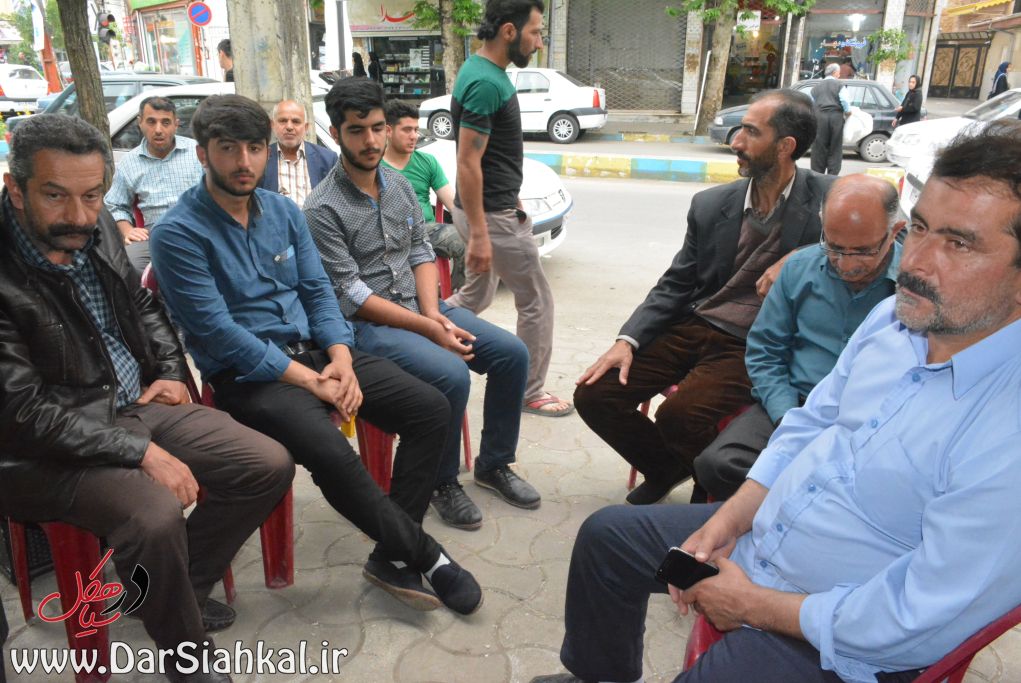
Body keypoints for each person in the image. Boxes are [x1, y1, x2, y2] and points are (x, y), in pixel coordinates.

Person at [532, 119, 1021, 683]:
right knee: (607, 539)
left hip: (841, 633)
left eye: (958, 244)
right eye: (920, 229)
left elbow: (917, 616)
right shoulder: (893, 323)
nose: (914, 263)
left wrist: (754, 606)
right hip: (771, 537)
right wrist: (731, 519)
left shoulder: (1006, 429)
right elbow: (809, 424)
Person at [149, 94, 483, 616]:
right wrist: (310, 381)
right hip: (251, 376)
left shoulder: (284, 211)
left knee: (431, 407)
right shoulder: (177, 233)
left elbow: (319, 291)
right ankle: (427, 556)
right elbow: (217, 332)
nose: (244, 162)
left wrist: (341, 358)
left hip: (319, 355)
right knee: (331, 452)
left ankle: (390, 554)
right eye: (228, 148)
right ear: (202, 154)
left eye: (254, 148)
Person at [0, 114, 295, 683]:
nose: (79, 215)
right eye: (56, 196)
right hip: (40, 445)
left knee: (265, 463)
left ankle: (171, 589)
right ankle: (186, 657)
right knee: (155, 515)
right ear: (16, 189)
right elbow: (20, 411)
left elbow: (141, 303)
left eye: (93, 196)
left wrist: (170, 370)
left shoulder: (95, 227)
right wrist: (140, 453)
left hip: (132, 400)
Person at [575, 89, 834, 506]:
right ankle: (666, 467)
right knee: (594, 393)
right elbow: (677, 281)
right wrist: (627, 340)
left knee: (679, 416)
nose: (736, 142)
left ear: (786, 146)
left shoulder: (829, 199)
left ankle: (713, 491)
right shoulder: (712, 204)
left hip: (757, 341)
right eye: (739, 130)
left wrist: (804, 256)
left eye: (751, 132)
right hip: (698, 323)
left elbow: (887, 238)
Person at [304, 77, 537, 531]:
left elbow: (420, 251)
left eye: (377, 128)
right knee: (450, 373)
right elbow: (351, 292)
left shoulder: (398, 184)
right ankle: (440, 482)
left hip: (420, 307)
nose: (371, 141)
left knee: (512, 354)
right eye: (356, 131)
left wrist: (432, 314)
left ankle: (493, 464)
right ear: (335, 133)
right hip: (369, 327)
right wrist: (426, 328)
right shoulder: (321, 208)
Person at [693, 174, 902, 501]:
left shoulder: (916, 288)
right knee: (718, 465)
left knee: (869, 492)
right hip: (796, 405)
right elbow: (765, 352)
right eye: (834, 247)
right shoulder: (798, 269)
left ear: (895, 232)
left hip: (873, 421)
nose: (846, 264)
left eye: (863, 251)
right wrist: (786, 416)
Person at [447, 0, 573, 418]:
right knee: (537, 300)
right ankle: (529, 391)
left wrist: (510, 196)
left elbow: (491, 156)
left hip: (489, 208)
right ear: (508, 31)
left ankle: (427, 329)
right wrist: (481, 235)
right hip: (490, 216)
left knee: (475, 295)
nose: (539, 42)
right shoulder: (486, 83)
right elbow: (467, 161)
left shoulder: (481, 70)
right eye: (535, 32)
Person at [105, 96, 204, 274]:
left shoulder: (197, 152)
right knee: (128, 268)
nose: (158, 130)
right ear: (140, 123)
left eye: (166, 122)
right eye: (151, 122)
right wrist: (128, 230)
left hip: (198, 230)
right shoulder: (129, 163)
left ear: (176, 124)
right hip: (153, 236)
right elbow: (114, 204)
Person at [382, 98, 467, 291]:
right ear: (388, 131)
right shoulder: (373, 166)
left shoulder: (427, 162)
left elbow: (453, 205)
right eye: (407, 130)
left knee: (469, 238)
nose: (414, 136)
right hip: (387, 235)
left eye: (416, 129)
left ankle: (455, 296)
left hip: (426, 230)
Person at [258, 99, 338, 208]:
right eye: (283, 121)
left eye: (296, 121)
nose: (289, 127)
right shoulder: (261, 158)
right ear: (272, 125)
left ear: (306, 127)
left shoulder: (328, 159)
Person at [810, 63, 850, 175]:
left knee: (819, 146)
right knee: (835, 147)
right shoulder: (839, 85)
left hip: (819, 117)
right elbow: (844, 101)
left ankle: (817, 174)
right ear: (835, 73)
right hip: (836, 117)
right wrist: (848, 111)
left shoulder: (816, 87)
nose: (839, 75)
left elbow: (811, 103)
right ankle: (832, 175)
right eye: (839, 73)